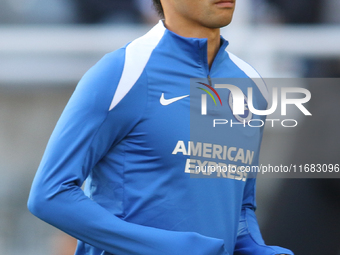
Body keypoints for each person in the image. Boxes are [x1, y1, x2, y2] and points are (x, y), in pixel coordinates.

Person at [28, 0, 293, 254]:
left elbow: (239, 211)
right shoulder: (123, 72)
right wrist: (171, 248)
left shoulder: (249, 83)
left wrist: (261, 251)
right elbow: (50, 194)